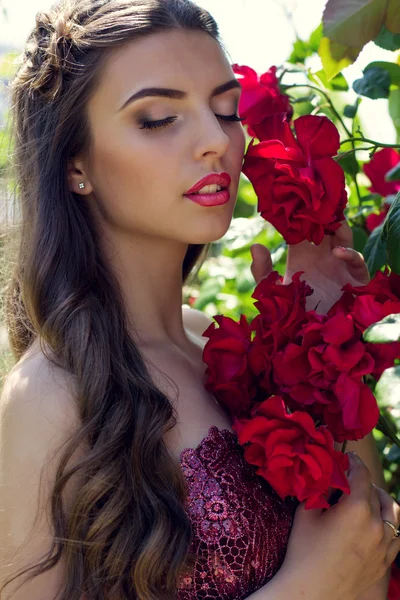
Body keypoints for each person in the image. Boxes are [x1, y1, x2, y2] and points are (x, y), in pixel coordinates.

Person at [0, 0, 399, 599]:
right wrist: (307, 588)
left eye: (226, 109)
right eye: (159, 118)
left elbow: (365, 551)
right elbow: (334, 576)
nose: (217, 140)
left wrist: (320, 330)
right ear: (73, 162)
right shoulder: (49, 401)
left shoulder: (223, 345)